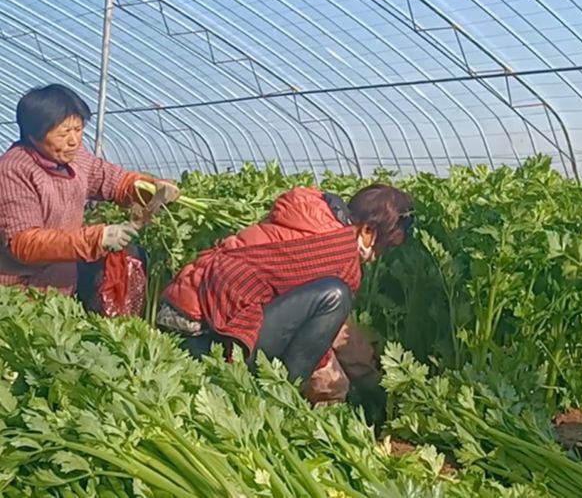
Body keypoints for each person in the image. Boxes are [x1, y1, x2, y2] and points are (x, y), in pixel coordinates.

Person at [156, 183, 413, 404]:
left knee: (331, 300)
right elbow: (323, 330)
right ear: (368, 230)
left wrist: (367, 369)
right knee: (337, 295)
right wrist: (335, 387)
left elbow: (321, 319)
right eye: (383, 248)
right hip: (204, 336)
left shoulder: (315, 215)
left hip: (177, 317)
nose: (377, 257)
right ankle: (277, 401)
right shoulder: (340, 252)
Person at [0, 84, 178, 309]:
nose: (74, 140)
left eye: (78, 129)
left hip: (61, 288)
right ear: (33, 135)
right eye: (64, 133)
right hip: (21, 295)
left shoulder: (76, 157)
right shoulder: (14, 170)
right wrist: (97, 239)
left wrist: (150, 189)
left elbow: (112, 181)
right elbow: (24, 243)